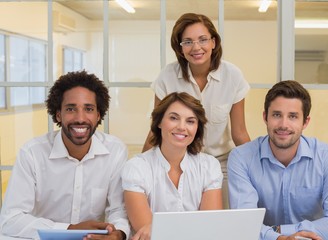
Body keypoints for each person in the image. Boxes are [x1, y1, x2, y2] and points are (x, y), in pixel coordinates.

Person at [0, 71, 130, 240]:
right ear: (58, 114)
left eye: (89, 109)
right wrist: (70, 229)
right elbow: (11, 219)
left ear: (98, 115)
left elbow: (119, 210)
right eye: (71, 109)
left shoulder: (115, 151)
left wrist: (118, 234)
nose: (80, 118)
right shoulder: (32, 153)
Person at [143, 12, 251, 207]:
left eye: (203, 40)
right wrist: (141, 165)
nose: (196, 47)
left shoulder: (232, 75)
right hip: (178, 162)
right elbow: (156, 129)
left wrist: (257, 169)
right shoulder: (167, 76)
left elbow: (240, 133)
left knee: (219, 222)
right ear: (180, 47)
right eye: (188, 42)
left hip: (221, 163)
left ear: (214, 42)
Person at [228, 80, 328, 240]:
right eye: (277, 115)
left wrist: (278, 231)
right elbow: (244, 226)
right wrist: (281, 238)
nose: (283, 124)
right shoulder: (241, 158)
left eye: (293, 116)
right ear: (265, 117)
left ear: (305, 122)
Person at [123, 92, 223, 240]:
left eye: (190, 121)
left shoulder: (209, 166)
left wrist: (159, 227)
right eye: (174, 118)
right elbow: (147, 234)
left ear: (197, 128)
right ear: (159, 122)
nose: (182, 127)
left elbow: (210, 228)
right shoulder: (136, 167)